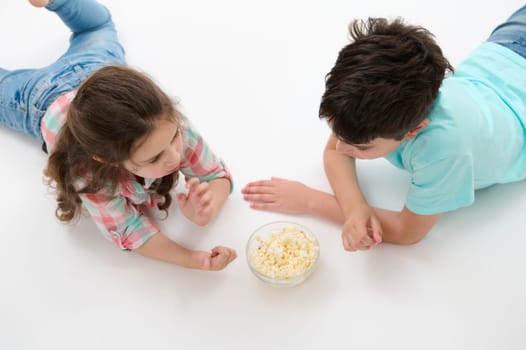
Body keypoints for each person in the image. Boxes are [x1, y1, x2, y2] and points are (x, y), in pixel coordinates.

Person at [242, 6, 526, 251]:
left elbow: (408, 231)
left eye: (361, 147)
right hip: (507, 46)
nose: (340, 147)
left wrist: (310, 201)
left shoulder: (444, 150)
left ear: (414, 130)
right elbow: (336, 151)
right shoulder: (365, 106)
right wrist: (354, 208)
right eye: (337, 132)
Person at [0, 0, 236, 270]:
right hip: (37, 97)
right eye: (155, 157)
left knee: (98, 26)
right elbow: (131, 232)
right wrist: (191, 259)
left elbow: (215, 175)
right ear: (106, 159)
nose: (174, 156)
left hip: (94, 67)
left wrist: (206, 211)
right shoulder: (88, 174)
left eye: (174, 140)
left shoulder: (166, 124)